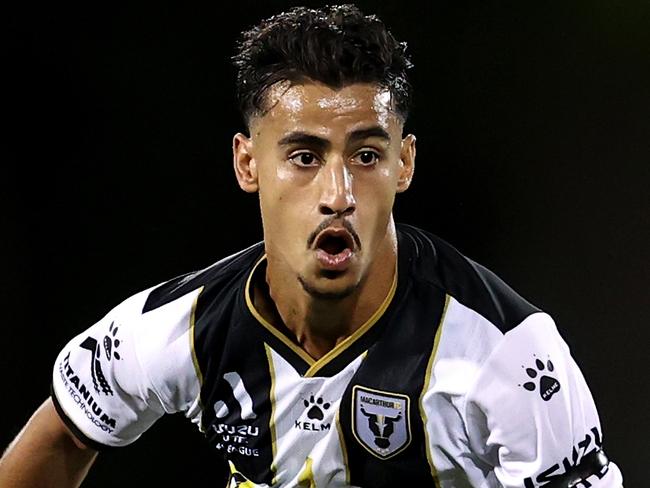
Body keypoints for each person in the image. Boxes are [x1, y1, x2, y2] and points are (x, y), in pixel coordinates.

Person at [0, 4, 623, 487]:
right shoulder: (178, 330)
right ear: (248, 164)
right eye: (303, 156)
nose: (338, 194)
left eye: (367, 155)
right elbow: (63, 439)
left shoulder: (512, 356)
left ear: (404, 165)